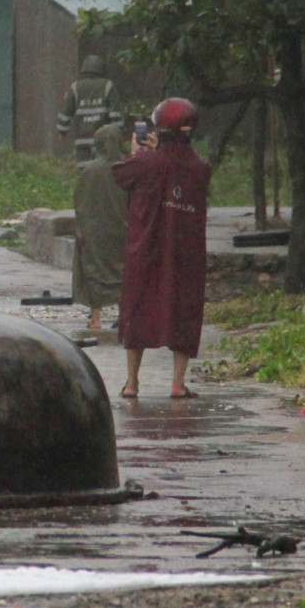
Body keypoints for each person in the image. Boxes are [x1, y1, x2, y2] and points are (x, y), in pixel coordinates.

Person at [110, 97, 211, 398]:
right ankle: (178, 384)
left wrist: (138, 153)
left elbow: (120, 175)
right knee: (185, 311)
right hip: (186, 256)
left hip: (146, 252)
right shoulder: (200, 167)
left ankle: (132, 383)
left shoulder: (145, 162)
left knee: (138, 309)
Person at [71, 122, 131, 332]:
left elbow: (79, 202)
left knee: (94, 273)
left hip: (95, 231)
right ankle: (124, 315)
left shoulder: (89, 171)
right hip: (122, 229)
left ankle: (95, 318)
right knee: (123, 272)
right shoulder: (126, 169)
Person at [55, 56, 125, 162]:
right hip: (104, 141)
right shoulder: (107, 86)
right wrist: (118, 137)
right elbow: (115, 115)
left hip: (82, 141)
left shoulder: (75, 87)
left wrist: (62, 131)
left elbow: (66, 112)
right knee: (103, 170)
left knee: (84, 172)